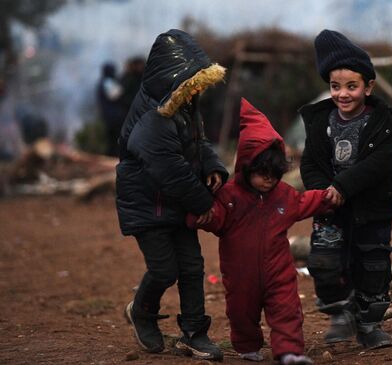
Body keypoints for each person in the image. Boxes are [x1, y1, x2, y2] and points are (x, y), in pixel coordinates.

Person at [188, 98, 331, 365]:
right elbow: (215, 219)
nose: (269, 179)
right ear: (246, 166)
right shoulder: (229, 196)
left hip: (279, 270)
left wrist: (328, 197)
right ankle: (246, 345)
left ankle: (289, 352)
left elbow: (304, 202)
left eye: (275, 174)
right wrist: (200, 216)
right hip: (240, 274)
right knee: (241, 312)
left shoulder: (283, 195)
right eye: (262, 173)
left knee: (287, 309)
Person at [116, 29, 229, 361]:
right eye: (192, 81)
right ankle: (142, 312)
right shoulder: (154, 119)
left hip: (177, 203)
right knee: (165, 269)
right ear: (173, 78)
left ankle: (195, 333)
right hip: (148, 206)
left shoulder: (184, 104)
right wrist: (204, 204)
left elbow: (199, 143)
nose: (198, 88)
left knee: (193, 267)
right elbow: (169, 170)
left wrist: (213, 166)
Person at [299, 29, 392, 349]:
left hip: (371, 209)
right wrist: (323, 192)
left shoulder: (383, 122)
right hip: (330, 209)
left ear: (368, 86)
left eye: (351, 86)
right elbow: (310, 164)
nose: (342, 94)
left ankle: (369, 324)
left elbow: (379, 163)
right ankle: (340, 315)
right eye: (335, 86)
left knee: (372, 264)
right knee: (325, 261)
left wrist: (343, 186)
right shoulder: (321, 122)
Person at [97, 62, 126, 157]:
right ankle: (112, 156)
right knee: (114, 137)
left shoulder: (104, 81)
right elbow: (115, 95)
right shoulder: (107, 82)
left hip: (109, 115)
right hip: (113, 115)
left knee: (112, 137)